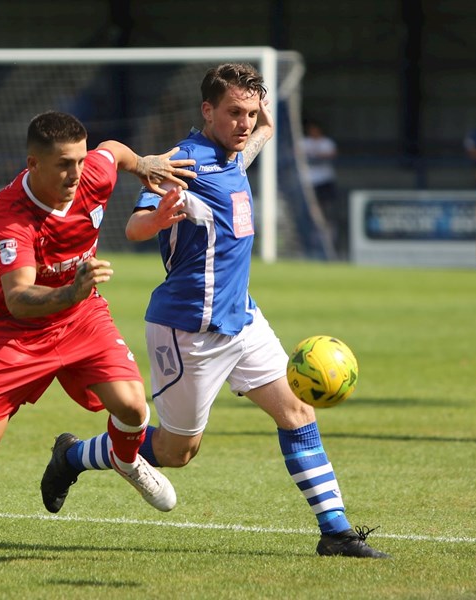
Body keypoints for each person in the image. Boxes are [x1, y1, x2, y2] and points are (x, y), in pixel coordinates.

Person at [41, 64, 390, 559]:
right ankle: (73, 455)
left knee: (297, 412)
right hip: (188, 331)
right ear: (207, 110)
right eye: (233, 112)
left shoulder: (235, 155)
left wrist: (262, 101)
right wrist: (158, 216)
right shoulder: (182, 162)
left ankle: (335, 531)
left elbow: (265, 129)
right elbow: (136, 226)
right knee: (176, 452)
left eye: (249, 112)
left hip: (242, 319)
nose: (244, 122)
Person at [0, 111, 196, 562]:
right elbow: (19, 297)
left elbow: (113, 152)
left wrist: (142, 164)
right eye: (63, 164)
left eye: (79, 160)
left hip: (82, 317)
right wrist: (71, 289)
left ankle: (125, 460)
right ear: (33, 164)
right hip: (15, 332)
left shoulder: (91, 174)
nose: (75, 173)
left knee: (133, 406)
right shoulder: (11, 210)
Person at [298, 119, 343, 255]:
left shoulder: (326, 142)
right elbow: (297, 154)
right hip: (309, 183)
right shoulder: (303, 142)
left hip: (324, 182)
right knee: (311, 213)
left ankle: (329, 243)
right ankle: (312, 243)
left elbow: (331, 154)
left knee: (327, 213)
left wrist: (315, 155)